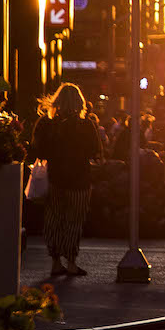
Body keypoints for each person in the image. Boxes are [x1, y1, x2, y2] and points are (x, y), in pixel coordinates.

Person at [28, 83, 104, 278]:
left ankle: (55, 262)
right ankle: (71, 262)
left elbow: (36, 149)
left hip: (54, 178)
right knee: (74, 221)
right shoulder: (85, 124)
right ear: (80, 102)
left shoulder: (46, 123)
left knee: (54, 218)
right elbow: (96, 152)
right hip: (79, 179)